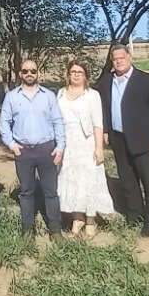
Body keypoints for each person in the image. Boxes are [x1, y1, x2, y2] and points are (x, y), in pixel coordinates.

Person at [98, 43, 149, 237]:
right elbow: (102, 107)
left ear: (130, 57)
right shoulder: (106, 81)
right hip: (119, 139)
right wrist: (105, 130)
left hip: (145, 141)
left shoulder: (146, 80)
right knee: (127, 180)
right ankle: (135, 214)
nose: (118, 61)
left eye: (122, 57)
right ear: (112, 61)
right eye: (115, 59)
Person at [0, 59, 65, 239]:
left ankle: (55, 230)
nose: (29, 74)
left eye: (33, 71)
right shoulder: (12, 97)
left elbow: (58, 122)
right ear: (20, 74)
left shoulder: (49, 96)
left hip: (47, 149)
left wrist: (60, 147)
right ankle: (27, 230)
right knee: (26, 192)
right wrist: (11, 144)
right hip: (24, 151)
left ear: (38, 73)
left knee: (50, 192)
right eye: (25, 71)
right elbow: (4, 123)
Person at [56, 59, 115, 238]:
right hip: (68, 143)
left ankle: (90, 220)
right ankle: (77, 218)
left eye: (80, 72)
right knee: (71, 181)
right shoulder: (60, 93)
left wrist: (99, 148)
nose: (76, 75)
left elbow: (98, 124)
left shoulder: (92, 95)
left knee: (89, 181)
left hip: (86, 142)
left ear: (85, 76)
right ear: (68, 75)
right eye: (73, 72)